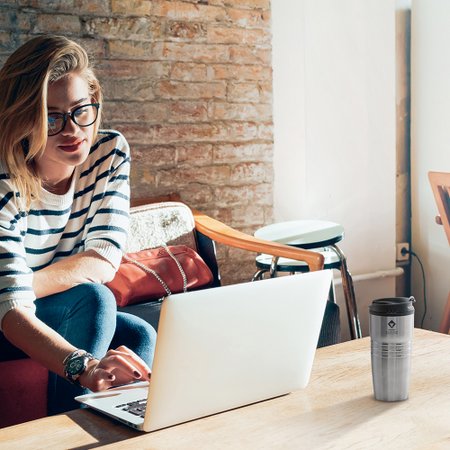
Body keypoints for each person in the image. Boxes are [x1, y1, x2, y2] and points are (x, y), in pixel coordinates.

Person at [0, 35, 156, 415]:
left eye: (80, 110)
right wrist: (84, 367)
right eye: (50, 117)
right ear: (24, 118)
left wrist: (23, 287)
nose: (72, 130)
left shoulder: (108, 154)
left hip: (27, 300)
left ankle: (128, 431)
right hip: (9, 319)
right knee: (94, 299)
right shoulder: (5, 181)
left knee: (138, 333)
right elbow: (10, 312)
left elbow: (103, 258)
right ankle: (67, 438)